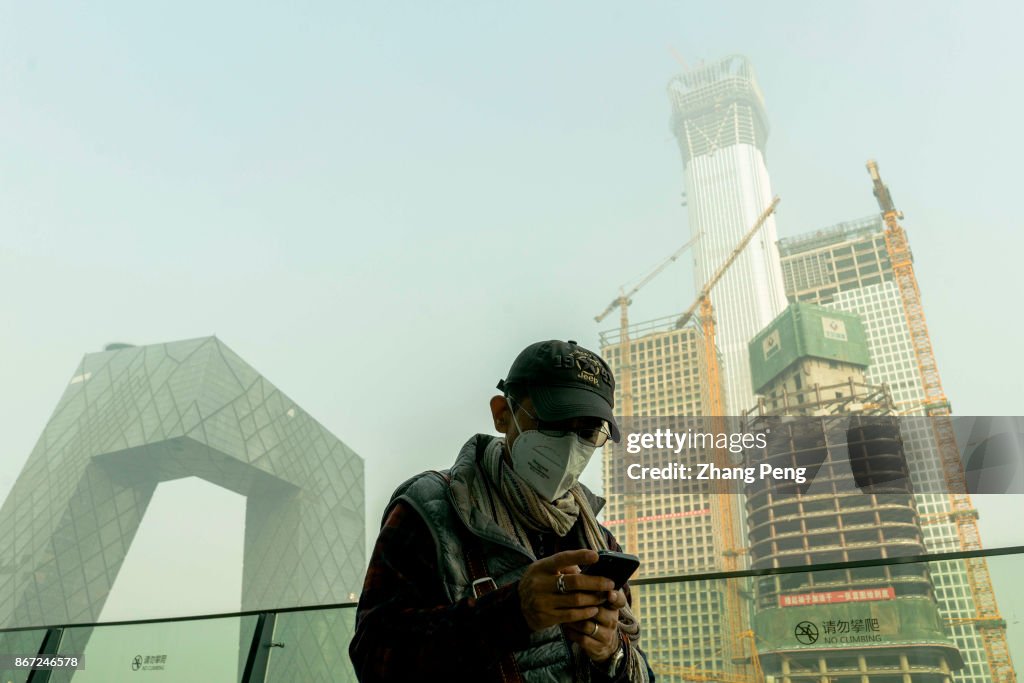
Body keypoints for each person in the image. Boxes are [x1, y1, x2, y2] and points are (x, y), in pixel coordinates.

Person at [349, 339, 655, 682]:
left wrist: (611, 651)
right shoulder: (428, 511)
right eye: (554, 421)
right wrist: (511, 612)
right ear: (503, 414)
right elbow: (373, 658)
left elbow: (642, 672)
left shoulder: (599, 542)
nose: (570, 446)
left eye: (586, 432)